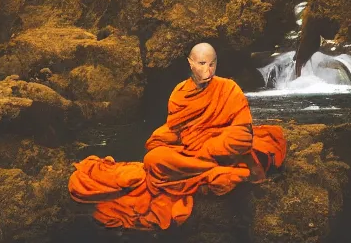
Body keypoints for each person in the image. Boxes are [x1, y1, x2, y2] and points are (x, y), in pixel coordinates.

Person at [69, 43, 287, 230]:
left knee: (237, 142)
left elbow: (242, 132)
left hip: (216, 151)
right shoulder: (180, 93)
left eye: (212, 64)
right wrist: (167, 140)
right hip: (189, 154)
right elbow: (176, 130)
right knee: (153, 159)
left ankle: (212, 168)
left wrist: (210, 147)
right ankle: (215, 172)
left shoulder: (229, 88)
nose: (208, 69)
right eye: (202, 64)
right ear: (190, 63)